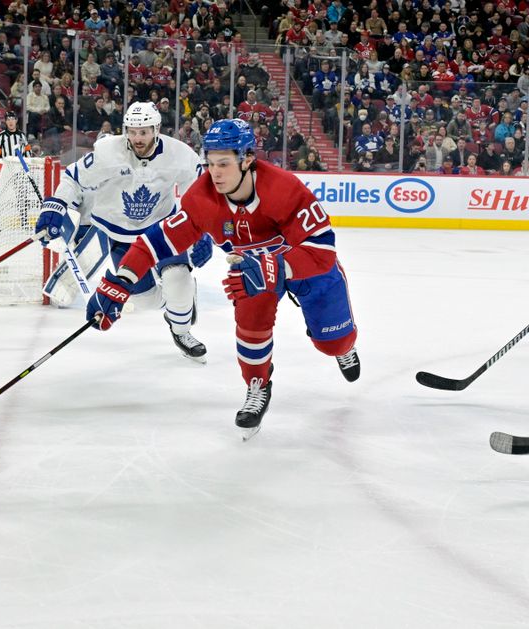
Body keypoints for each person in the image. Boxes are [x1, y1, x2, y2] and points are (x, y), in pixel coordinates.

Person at [84, 119, 360, 437]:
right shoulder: (202, 198)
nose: (214, 172)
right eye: (210, 162)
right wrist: (122, 280)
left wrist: (275, 267)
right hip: (253, 272)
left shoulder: (283, 189)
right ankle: (257, 385)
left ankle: (343, 348)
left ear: (247, 160)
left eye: (224, 163)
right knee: (250, 313)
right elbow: (156, 241)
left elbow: (321, 250)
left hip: (306, 266)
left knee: (333, 342)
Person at [35, 102, 213, 362]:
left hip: (161, 230)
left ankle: (181, 330)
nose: (137, 138)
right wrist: (57, 204)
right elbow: (73, 178)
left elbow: (196, 195)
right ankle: (178, 305)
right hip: (119, 234)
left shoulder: (180, 155)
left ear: (157, 129)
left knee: (178, 279)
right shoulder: (107, 151)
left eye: (144, 132)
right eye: (132, 131)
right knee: (144, 300)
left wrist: (202, 229)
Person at [0, 111, 31, 188]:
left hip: (20, 171)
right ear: (5, 121)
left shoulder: (22, 136)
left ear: (16, 120)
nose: (10, 122)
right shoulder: (0, 136)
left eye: (12, 119)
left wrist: (27, 166)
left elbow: (27, 151)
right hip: (5, 172)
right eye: (8, 119)